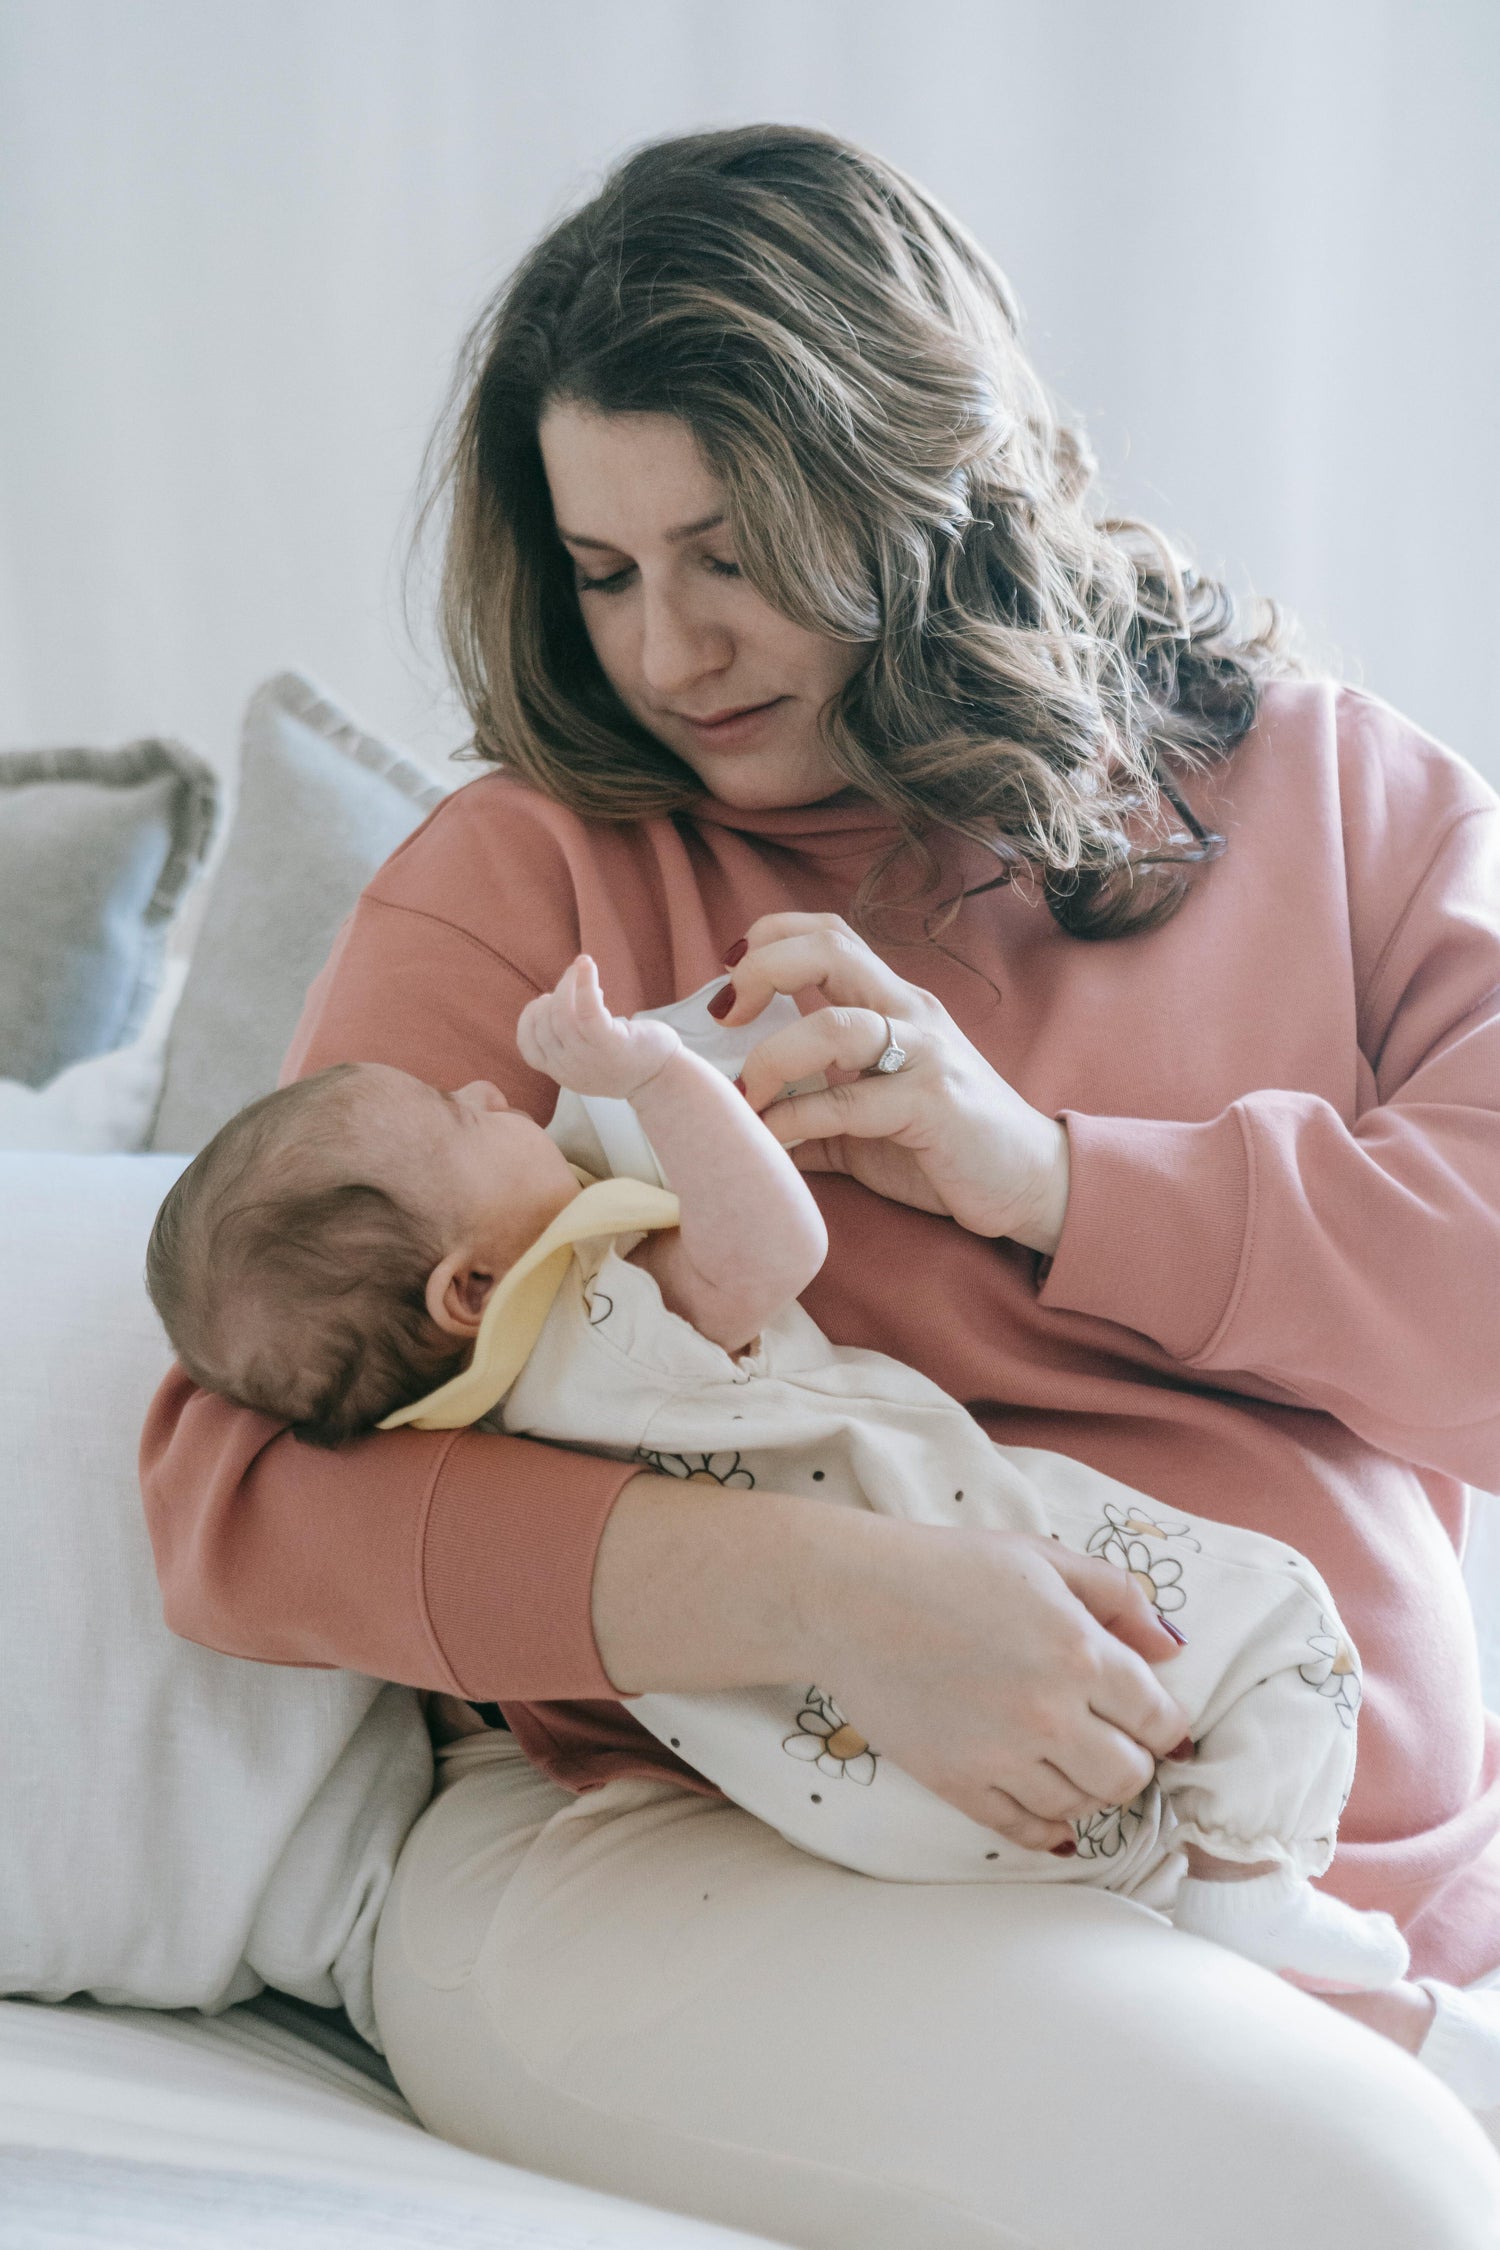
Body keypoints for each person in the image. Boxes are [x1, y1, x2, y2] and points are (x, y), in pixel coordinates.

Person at [139, 124, 1500, 2247]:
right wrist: (847, 1612)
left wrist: (1049, 1179)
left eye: (733, 550)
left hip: (1342, 1889)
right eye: (603, 573)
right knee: (1373, 2204)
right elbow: (244, 1498)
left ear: (924, 482)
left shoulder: (1342, 800)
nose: (669, 652)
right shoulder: (534, 881)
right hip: (729, 1843)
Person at [143, 954, 1411, 1994]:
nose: (488, 1089)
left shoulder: (469, 1439)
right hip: (954, 1543)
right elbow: (776, 1238)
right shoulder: (609, 1315)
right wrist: (654, 1076)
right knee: (1281, 1620)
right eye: (456, 1114)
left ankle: (1215, 1931)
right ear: (469, 1288)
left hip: (843, 1773)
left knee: (1097, 1837)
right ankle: (1250, 1889)